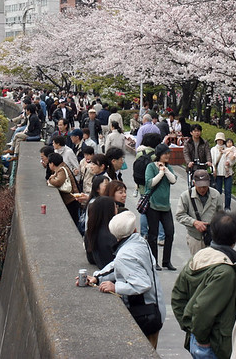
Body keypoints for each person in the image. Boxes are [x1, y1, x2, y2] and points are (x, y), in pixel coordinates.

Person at [87, 212, 166, 348]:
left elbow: (142, 284)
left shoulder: (125, 255)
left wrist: (115, 287)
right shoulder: (139, 242)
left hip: (146, 313)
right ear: (134, 230)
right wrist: (98, 277)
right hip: (155, 307)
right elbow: (117, 265)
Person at [172, 210, 236, 359]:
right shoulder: (225, 272)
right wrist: (202, 339)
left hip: (196, 340)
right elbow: (202, 309)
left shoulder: (198, 257)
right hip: (213, 345)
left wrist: (189, 328)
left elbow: (178, 296)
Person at [145, 143, 178, 271]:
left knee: (170, 232)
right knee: (153, 235)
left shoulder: (168, 167)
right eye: (165, 154)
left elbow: (173, 180)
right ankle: (154, 261)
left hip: (165, 206)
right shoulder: (150, 167)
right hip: (153, 205)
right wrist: (160, 172)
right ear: (159, 155)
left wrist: (165, 169)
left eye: (168, 153)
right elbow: (149, 183)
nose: (167, 156)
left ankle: (166, 261)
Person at [175, 170, 224, 256]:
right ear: (194, 183)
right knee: (198, 265)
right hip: (195, 237)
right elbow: (179, 215)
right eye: (199, 186)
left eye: (205, 186)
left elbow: (221, 215)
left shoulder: (216, 195)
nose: (202, 189)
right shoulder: (186, 196)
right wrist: (194, 222)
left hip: (212, 237)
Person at [46, 152, 82, 226]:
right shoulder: (62, 167)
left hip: (71, 199)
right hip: (72, 199)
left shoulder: (61, 170)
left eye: (49, 163)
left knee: (74, 221)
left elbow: (58, 182)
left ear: (52, 163)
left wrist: (50, 179)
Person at [85, 196, 118, 268]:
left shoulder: (90, 232)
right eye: (115, 207)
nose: (117, 210)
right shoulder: (111, 235)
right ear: (110, 210)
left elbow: (90, 258)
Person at [210, 133, 236, 211]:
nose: (220, 141)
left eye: (221, 140)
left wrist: (230, 163)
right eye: (218, 140)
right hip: (217, 173)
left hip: (227, 173)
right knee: (218, 192)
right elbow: (211, 161)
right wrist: (213, 170)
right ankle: (218, 207)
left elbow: (234, 159)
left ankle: (227, 207)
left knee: (228, 191)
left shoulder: (229, 149)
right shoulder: (213, 150)